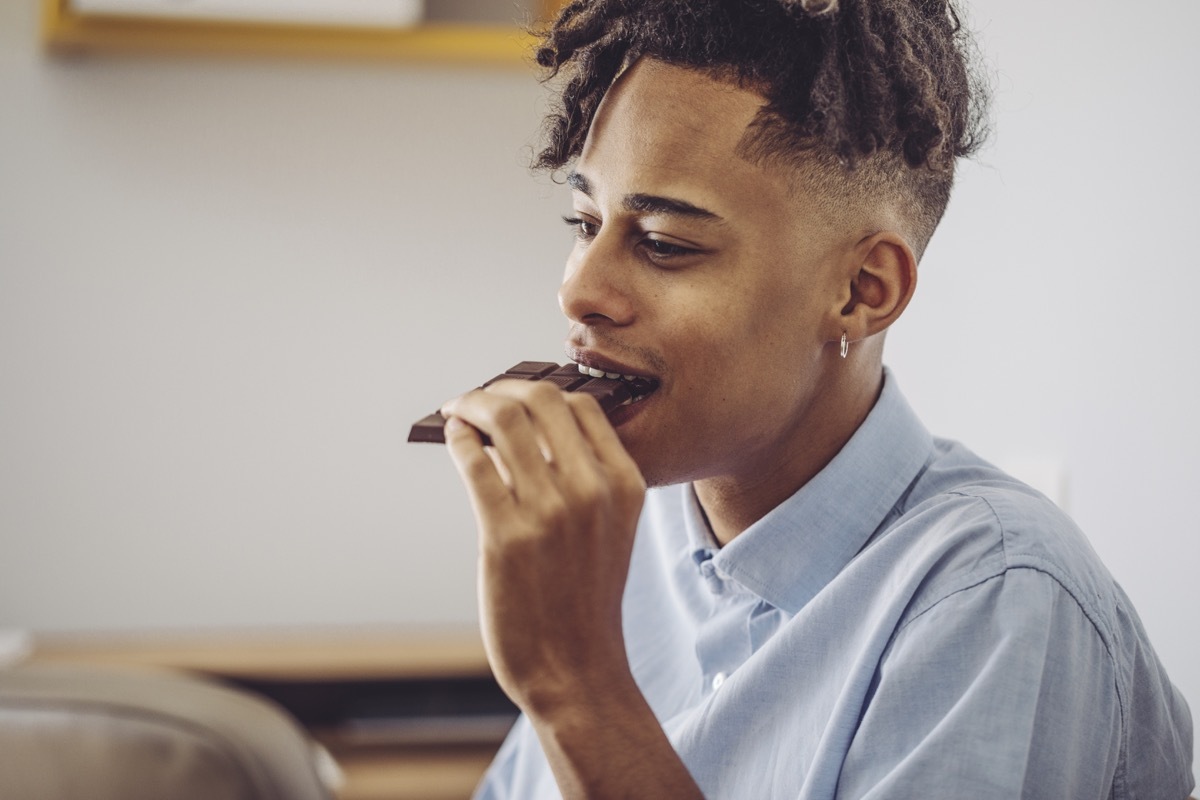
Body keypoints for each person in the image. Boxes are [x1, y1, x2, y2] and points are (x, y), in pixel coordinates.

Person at [435, 0, 1195, 797]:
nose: (579, 293)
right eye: (585, 221)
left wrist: (577, 688)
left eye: (664, 244)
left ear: (863, 290)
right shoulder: (615, 538)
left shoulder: (999, 597)